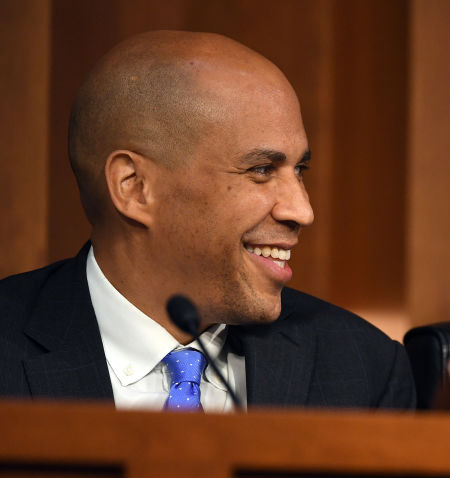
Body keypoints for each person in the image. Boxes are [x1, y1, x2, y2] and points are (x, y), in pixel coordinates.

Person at [0, 30, 415, 411]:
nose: (302, 211)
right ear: (134, 186)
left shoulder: (363, 369)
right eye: (261, 170)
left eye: (298, 170)